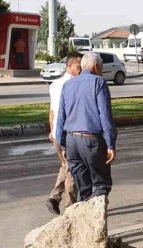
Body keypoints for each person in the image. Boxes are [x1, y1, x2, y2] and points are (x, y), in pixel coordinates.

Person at [54, 52, 117, 202]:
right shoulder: (98, 82)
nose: (101, 69)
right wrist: (110, 144)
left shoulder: (68, 84)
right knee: (102, 185)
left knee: (83, 189)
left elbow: (61, 117)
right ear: (96, 66)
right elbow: (105, 115)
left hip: (71, 142)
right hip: (91, 141)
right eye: (101, 66)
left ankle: (85, 220)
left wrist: (63, 146)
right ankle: (97, 223)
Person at [46, 52, 82, 215]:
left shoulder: (54, 84)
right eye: (78, 66)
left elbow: (52, 110)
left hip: (56, 133)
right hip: (68, 133)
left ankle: (54, 198)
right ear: (69, 66)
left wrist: (52, 130)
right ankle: (70, 207)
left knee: (66, 166)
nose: (80, 69)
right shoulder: (75, 84)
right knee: (72, 171)